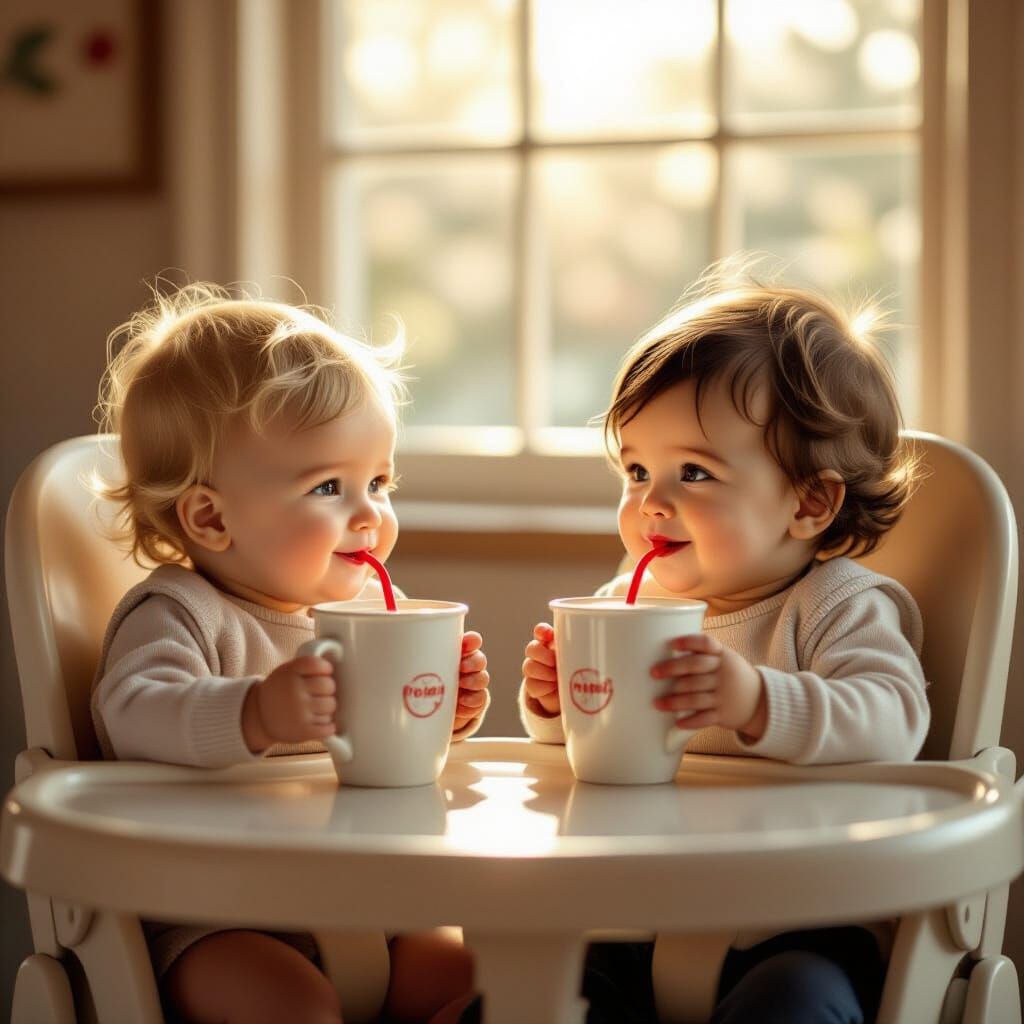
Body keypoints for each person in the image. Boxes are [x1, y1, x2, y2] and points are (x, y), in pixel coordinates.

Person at [519, 266, 929, 1024]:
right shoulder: (627, 606)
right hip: (635, 917)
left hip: (795, 923)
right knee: (528, 990)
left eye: (694, 472)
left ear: (809, 502)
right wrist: (553, 704)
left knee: (796, 1002)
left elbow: (896, 717)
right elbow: (582, 746)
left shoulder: (835, 606)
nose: (649, 502)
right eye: (636, 469)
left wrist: (757, 701)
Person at [92, 282, 488, 1024]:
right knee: (295, 1006)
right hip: (217, 913)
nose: (370, 513)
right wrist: (256, 711)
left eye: (379, 481)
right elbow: (131, 716)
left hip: (365, 895)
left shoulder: (361, 614)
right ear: (210, 517)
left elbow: (376, 741)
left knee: (464, 969)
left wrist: (442, 712)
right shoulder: (180, 610)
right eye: (329, 487)